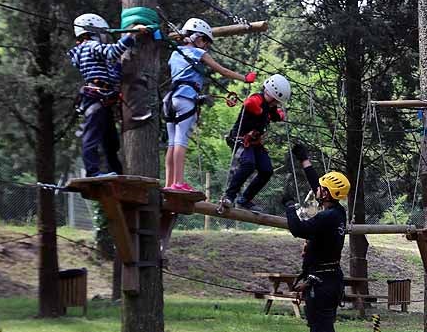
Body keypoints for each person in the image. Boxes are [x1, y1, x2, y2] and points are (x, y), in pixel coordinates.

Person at [281, 141, 351, 332]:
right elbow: (318, 187)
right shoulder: (337, 213)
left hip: (321, 284)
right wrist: (305, 161)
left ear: (327, 194)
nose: (317, 190)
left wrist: (289, 207)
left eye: (322, 189)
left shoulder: (327, 218)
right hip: (329, 280)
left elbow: (298, 229)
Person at [162, 18, 256, 191]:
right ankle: (178, 183)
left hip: (169, 99)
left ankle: (169, 184)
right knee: (181, 141)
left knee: (172, 142)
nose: (206, 45)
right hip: (185, 98)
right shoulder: (198, 54)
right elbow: (223, 71)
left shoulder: (175, 54)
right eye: (205, 40)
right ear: (197, 37)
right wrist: (245, 78)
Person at [67, 13, 148, 177]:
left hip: (103, 99)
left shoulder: (88, 52)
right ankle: (92, 171)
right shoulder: (89, 46)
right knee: (93, 136)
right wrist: (131, 34)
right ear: (93, 31)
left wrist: (121, 66)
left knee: (110, 141)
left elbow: (112, 75)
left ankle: (117, 172)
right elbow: (112, 52)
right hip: (96, 97)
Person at [221, 74, 290, 211]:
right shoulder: (257, 99)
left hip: (254, 143)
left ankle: (245, 199)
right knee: (248, 164)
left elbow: (275, 115)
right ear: (270, 93)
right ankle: (229, 196)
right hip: (241, 140)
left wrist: (281, 115)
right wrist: (257, 109)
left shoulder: (270, 107)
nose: (275, 104)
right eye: (275, 100)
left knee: (266, 170)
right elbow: (248, 103)